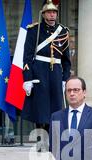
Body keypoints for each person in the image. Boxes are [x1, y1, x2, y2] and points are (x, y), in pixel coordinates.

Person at [22, 0, 71, 151]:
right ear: (43, 14)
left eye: (54, 12)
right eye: (49, 12)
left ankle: (53, 142)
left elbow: (66, 59)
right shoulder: (34, 30)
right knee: (40, 108)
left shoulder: (63, 31)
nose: (52, 15)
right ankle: (41, 141)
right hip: (39, 70)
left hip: (55, 71)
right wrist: (28, 78)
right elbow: (27, 57)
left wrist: (65, 78)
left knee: (56, 108)